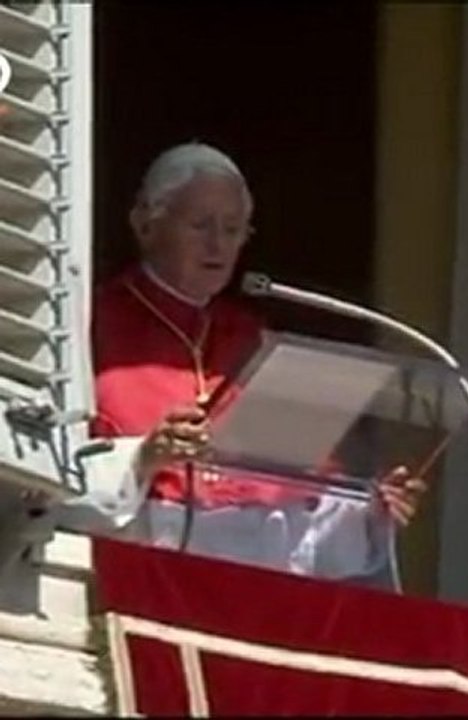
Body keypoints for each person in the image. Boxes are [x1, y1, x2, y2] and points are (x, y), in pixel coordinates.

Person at [61, 142, 426, 587]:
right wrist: (143, 458)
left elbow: (294, 523)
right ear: (144, 223)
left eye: (233, 229)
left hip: (249, 590)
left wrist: (370, 511)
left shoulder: (252, 339)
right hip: (132, 577)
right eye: (201, 225)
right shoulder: (88, 323)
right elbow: (49, 480)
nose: (218, 244)